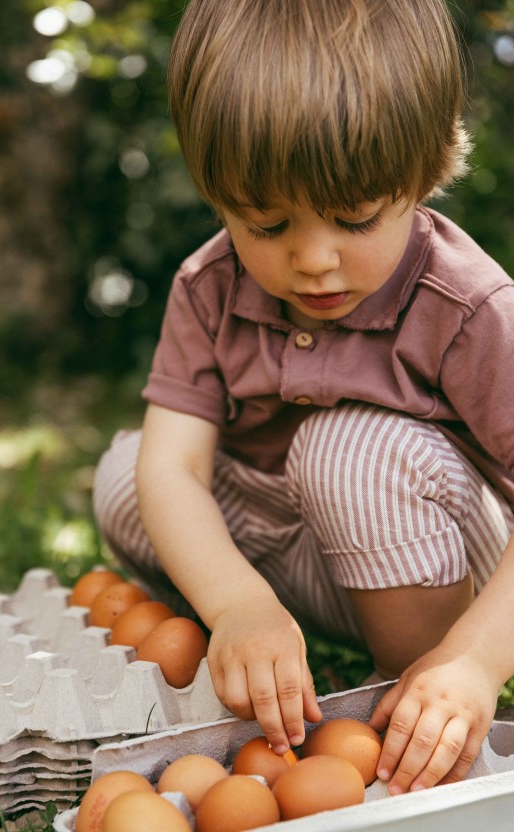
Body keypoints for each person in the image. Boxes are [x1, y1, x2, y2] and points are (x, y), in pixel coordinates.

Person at [93, 0, 514, 795]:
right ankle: (280, 636)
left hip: (446, 555)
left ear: (423, 177)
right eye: (267, 222)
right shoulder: (209, 286)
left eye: (355, 219)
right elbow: (173, 469)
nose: (315, 260)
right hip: (312, 546)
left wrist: (478, 658)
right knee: (127, 475)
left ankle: (422, 676)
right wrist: (240, 606)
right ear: (217, 196)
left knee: (346, 450)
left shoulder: (466, 307)